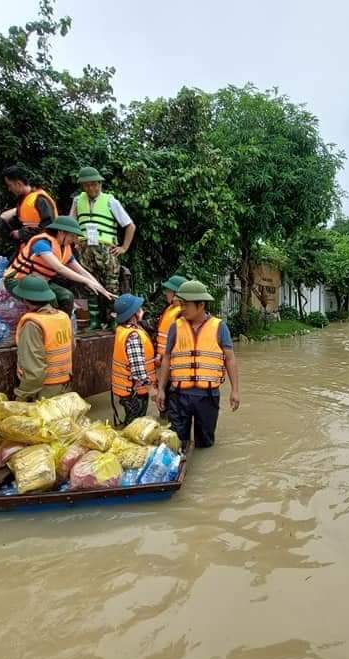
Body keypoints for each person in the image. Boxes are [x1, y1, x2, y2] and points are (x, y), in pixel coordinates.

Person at [156, 280, 240, 449]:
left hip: (207, 396)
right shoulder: (175, 327)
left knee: (205, 443)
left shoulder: (219, 327)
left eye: (186, 305)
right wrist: (160, 390)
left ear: (201, 305)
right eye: (181, 304)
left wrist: (235, 390)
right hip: (178, 395)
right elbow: (166, 358)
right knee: (177, 443)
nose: (182, 309)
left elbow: (230, 359)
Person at [3, 216, 113, 317]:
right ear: (61, 232)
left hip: (41, 283)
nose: (74, 239)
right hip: (17, 281)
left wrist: (101, 288)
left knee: (67, 296)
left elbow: (82, 271)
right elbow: (59, 268)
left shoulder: (65, 248)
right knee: (49, 299)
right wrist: (86, 281)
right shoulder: (42, 243)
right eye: (72, 235)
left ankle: (63, 327)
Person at [69, 166, 136, 297]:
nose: (91, 188)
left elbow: (130, 225)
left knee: (111, 288)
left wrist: (124, 248)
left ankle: (112, 317)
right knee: (86, 287)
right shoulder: (77, 200)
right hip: (84, 250)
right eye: (87, 185)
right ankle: (91, 317)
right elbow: (71, 224)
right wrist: (75, 241)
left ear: (100, 183)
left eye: (94, 185)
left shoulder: (110, 201)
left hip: (106, 251)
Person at [11, 276, 73, 401]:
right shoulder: (63, 317)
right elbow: (72, 346)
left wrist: (22, 397)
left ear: (25, 299)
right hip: (65, 385)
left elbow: (34, 370)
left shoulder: (33, 325)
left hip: (44, 391)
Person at [111, 293, 158, 425]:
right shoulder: (133, 336)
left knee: (134, 423)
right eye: (138, 309)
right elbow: (138, 370)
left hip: (127, 389)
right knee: (135, 426)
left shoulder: (123, 330)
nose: (141, 310)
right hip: (134, 392)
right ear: (133, 314)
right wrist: (151, 389)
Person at [0, 165, 57, 243]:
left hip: (44, 248)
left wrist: (21, 234)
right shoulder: (23, 199)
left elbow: (49, 226)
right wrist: (1, 230)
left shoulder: (40, 199)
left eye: (10, 185)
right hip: (30, 248)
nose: (9, 189)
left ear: (18, 184)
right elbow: (23, 223)